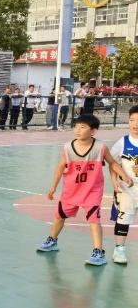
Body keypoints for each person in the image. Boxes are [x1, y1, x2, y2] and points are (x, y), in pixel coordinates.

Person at [37, 114, 131, 266]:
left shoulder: (100, 147)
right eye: (76, 127)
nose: (77, 130)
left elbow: (112, 163)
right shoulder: (68, 147)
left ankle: (98, 252)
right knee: (59, 216)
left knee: (94, 220)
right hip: (71, 190)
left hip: (92, 191)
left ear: (93, 131)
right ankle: (52, 240)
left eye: (82, 127)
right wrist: (53, 187)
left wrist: (124, 176)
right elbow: (60, 167)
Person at [109, 106, 138, 265]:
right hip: (127, 188)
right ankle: (119, 250)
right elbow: (112, 163)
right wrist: (114, 181)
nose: (135, 124)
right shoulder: (123, 142)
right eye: (132, 120)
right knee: (124, 218)